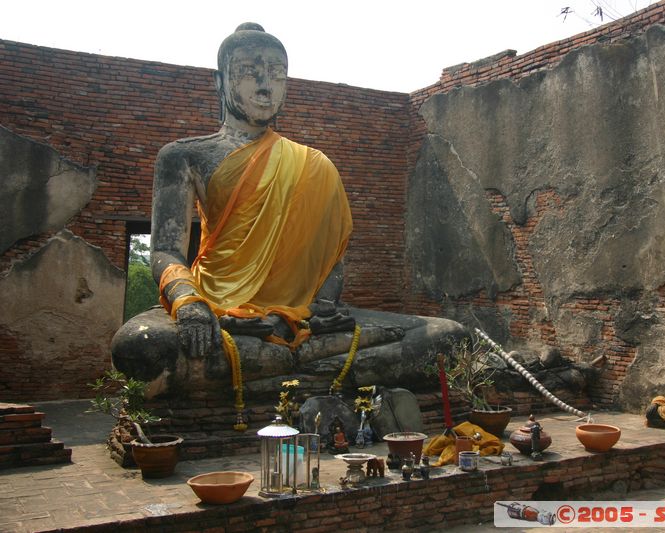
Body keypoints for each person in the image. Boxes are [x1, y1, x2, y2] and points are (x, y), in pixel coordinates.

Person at [111, 23, 466, 398]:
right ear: (220, 80)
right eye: (250, 72)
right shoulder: (184, 155)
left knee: (448, 336)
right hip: (218, 304)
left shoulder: (313, 164)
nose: (265, 85)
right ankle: (320, 372)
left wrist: (320, 308)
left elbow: (330, 260)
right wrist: (188, 303)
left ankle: (281, 369)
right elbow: (166, 250)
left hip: (303, 318)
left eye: (277, 74)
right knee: (139, 347)